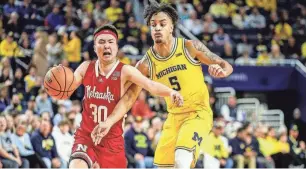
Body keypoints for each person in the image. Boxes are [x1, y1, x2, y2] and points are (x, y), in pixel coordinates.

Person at [91, 1, 233, 168]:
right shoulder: (146, 63)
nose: (157, 28)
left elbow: (226, 65)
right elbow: (129, 97)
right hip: (173, 118)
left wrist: (222, 71)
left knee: (181, 160)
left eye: (162, 24)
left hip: (198, 113)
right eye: (153, 25)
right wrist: (108, 121)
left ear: (171, 27)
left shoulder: (189, 47)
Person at [67, 24, 183, 169]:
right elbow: (69, 86)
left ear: (116, 47)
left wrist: (171, 92)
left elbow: (150, 85)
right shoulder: (85, 67)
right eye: (101, 42)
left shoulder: (125, 71)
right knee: (76, 166)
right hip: (86, 136)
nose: (106, 46)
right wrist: (58, 81)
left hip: (112, 141)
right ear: (95, 47)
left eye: (110, 42)